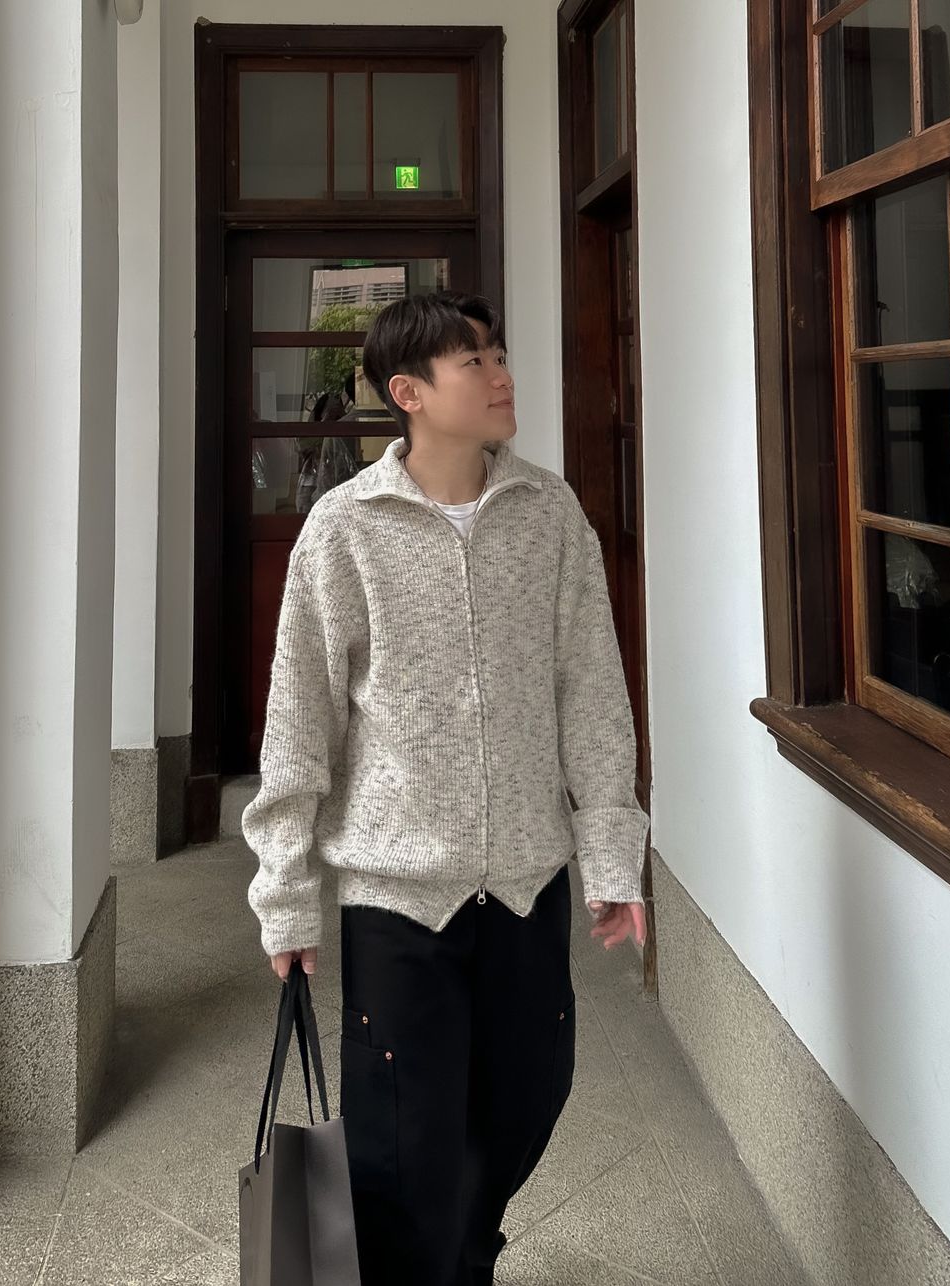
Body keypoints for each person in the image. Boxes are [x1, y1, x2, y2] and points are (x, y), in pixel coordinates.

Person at [242, 290, 650, 1286]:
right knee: (399, 1138)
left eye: (498, 354)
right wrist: (285, 892)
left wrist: (611, 852)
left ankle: (464, 1251)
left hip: (526, 879)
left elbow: (592, 690)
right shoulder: (344, 529)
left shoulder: (549, 514)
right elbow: (298, 720)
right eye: (475, 361)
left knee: (526, 1094)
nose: (501, 374)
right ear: (409, 393)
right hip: (397, 892)